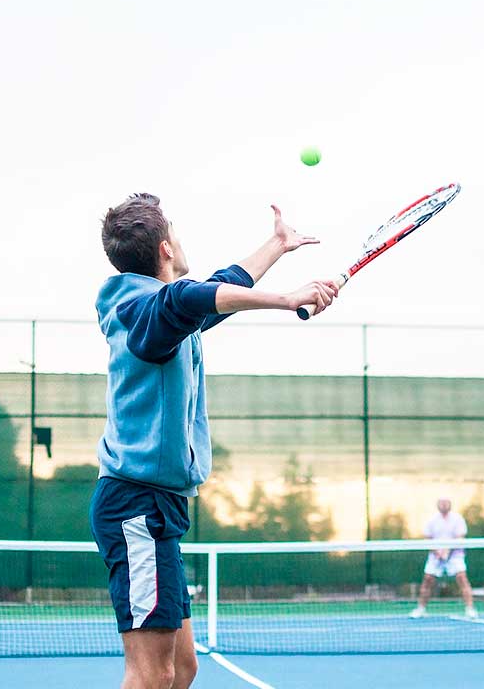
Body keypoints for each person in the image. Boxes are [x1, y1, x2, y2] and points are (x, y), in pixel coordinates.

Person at [90, 193, 337, 689]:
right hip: (136, 506)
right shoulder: (145, 311)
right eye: (176, 234)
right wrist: (289, 299)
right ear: (165, 249)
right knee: (151, 673)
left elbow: (216, 288)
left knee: (182, 669)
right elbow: (191, 296)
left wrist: (276, 246)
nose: (181, 243)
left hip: (160, 506)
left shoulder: (160, 311)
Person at [409, 498, 477, 619]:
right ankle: (421, 609)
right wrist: (438, 552)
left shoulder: (458, 519)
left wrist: (447, 551)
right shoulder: (432, 520)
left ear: (450, 504)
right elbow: (428, 539)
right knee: (427, 579)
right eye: (441, 503)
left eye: (446, 502)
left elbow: (460, 537)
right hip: (435, 555)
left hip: (455, 554)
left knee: (462, 578)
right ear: (437, 505)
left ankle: (470, 609)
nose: (444, 505)